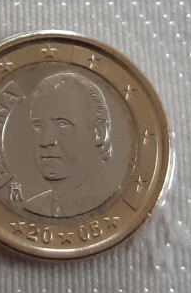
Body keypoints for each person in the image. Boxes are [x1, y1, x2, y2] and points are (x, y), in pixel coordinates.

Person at [16, 71, 120, 219]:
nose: (45, 141)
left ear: (99, 133)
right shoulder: (33, 207)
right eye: (38, 125)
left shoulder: (116, 201)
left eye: (62, 124)